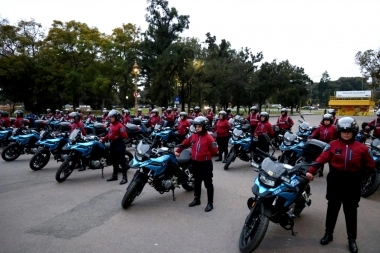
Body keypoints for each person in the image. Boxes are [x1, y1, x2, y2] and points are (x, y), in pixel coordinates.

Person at [306, 117, 375, 253]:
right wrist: (311, 171)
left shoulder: (362, 148)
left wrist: (362, 177)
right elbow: (321, 159)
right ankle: (328, 234)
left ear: (354, 132)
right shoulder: (332, 145)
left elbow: (371, 166)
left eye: (349, 131)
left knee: (350, 211)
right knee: (332, 208)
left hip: (353, 183)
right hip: (335, 181)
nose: (346, 133)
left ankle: (351, 239)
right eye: (343, 131)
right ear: (339, 132)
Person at [175, 116, 218, 212]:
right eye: (196, 126)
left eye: (199, 126)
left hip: (205, 164)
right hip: (195, 163)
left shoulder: (209, 138)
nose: (197, 128)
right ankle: (197, 199)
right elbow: (185, 143)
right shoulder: (193, 136)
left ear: (205, 126)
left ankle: (210, 203)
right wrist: (178, 150)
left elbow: (215, 151)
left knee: (208, 184)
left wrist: (205, 156)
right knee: (197, 182)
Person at [100, 109, 129, 185]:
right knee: (114, 161)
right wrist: (103, 139)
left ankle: (125, 178)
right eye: (110, 117)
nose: (110, 118)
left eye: (112, 117)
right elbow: (109, 134)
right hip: (112, 144)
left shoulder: (120, 126)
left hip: (119, 144)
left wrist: (117, 137)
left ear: (116, 117)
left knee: (122, 162)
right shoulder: (111, 125)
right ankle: (115, 175)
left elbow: (125, 136)